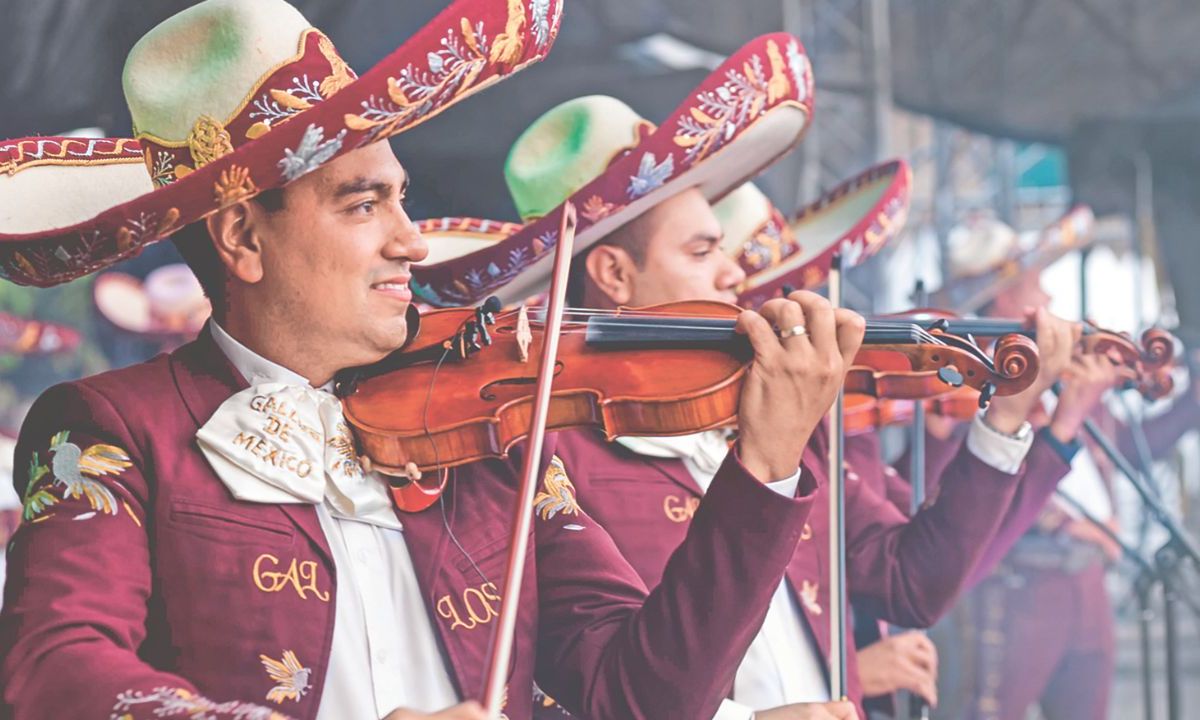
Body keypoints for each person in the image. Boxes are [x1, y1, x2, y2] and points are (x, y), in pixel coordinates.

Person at [0, 4, 862, 719]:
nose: (413, 241)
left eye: (402, 198)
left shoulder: (487, 438)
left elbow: (639, 698)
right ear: (242, 238)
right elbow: (55, 671)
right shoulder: (113, 424)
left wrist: (764, 469)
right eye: (363, 203)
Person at [424, 94, 1089, 720]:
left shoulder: (773, 411)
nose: (735, 274)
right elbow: (608, 689)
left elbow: (911, 583)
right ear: (615, 277)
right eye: (703, 251)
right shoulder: (545, 441)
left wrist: (1005, 420)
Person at [923, 210, 1200, 720]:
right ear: (1004, 300)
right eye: (1034, 285)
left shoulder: (1066, 376)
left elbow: (1129, 450)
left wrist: (1191, 403)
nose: (1049, 300)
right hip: (1019, 586)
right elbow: (975, 492)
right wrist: (1073, 523)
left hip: (1087, 582)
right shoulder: (969, 385)